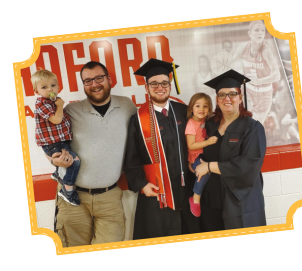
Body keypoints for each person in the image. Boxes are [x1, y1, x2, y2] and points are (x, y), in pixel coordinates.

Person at [49, 61, 137, 247]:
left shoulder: (127, 106)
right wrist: (54, 159)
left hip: (110, 198)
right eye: (87, 81)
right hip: (73, 197)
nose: (94, 84)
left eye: (99, 78)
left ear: (109, 79)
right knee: (74, 253)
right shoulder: (70, 111)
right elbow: (51, 141)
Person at [124, 58, 200, 239]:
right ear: (146, 87)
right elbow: (131, 156)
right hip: (156, 192)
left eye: (164, 82)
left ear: (170, 84)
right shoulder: (138, 119)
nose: (160, 87)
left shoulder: (185, 111)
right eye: (154, 83)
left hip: (186, 188)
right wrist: (142, 184)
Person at [195, 69, 267, 231]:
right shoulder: (209, 125)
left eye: (232, 94)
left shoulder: (252, 128)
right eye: (222, 95)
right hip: (212, 201)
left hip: (240, 202)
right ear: (217, 100)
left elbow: (248, 165)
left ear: (240, 98)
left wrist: (208, 166)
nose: (227, 99)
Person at [31, 69, 81, 206]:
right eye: (44, 87)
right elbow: (57, 119)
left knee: (67, 158)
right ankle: (67, 190)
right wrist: (60, 105)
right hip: (52, 143)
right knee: (74, 161)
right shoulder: (42, 103)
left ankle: (57, 174)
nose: (50, 89)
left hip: (59, 141)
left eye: (53, 85)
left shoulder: (52, 101)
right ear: (36, 92)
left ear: (58, 86)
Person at [232, 20, 280, 125]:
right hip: (248, 89)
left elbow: (277, 75)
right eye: (257, 30)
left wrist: (259, 81)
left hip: (263, 93)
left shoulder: (266, 51)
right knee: (241, 121)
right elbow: (232, 64)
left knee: (256, 127)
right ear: (249, 33)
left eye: (262, 30)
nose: (260, 33)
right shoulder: (243, 47)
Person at [185, 93, 217, 217]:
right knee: (205, 171)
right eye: (197, 106)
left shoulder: (206, 121)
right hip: (195, 155)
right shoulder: (191, 124)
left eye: (205, 106)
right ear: (191, 108)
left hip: (204, 154)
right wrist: (207, 142)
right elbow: (191, 145)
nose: (201, 109)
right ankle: (195, 198)